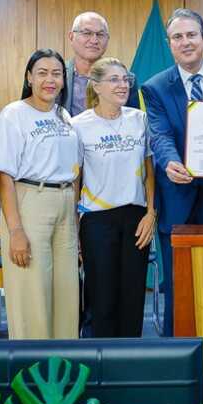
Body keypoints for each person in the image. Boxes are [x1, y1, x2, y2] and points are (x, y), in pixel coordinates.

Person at [141, 8, 203, 336]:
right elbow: (160, 134)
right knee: (179, 288)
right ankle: (175, 358)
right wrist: (169, 162)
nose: (185, 42)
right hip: (178, 196)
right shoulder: (155, 87)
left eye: (191, 35)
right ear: (169, 44)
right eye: (177, 37)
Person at [0, 49, 80, 339]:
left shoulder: (64, 115)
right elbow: (4, 175)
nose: (50, 80)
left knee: (67, 296)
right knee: (32, 296)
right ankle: (32, 374)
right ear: (29, 77)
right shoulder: (13, 114)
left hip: (65, 203)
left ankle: (62, 373)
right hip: (30, 201)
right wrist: (15, 229)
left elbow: (74, 169)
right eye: (42, 73)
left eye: (57, 73)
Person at [71, 57, 155, 337]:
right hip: (96, 221)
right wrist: (74, 225)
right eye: (114, 80)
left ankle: (129, 364)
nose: (122, 85)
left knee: (133, 297)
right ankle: (100, 366)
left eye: (125, 79)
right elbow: (75, 179)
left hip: (136, 217)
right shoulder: (79, 125)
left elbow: (149, 171)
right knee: (102, 297)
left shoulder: (139, 119)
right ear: (96, 86)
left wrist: (151, 214)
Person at [64, 12, 138, 116]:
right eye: (87, 33)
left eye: (100, 34)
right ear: (71, 36)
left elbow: (132, 120)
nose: (94, 40)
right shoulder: (58, 75)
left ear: (108, 39)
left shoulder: (127, 79)